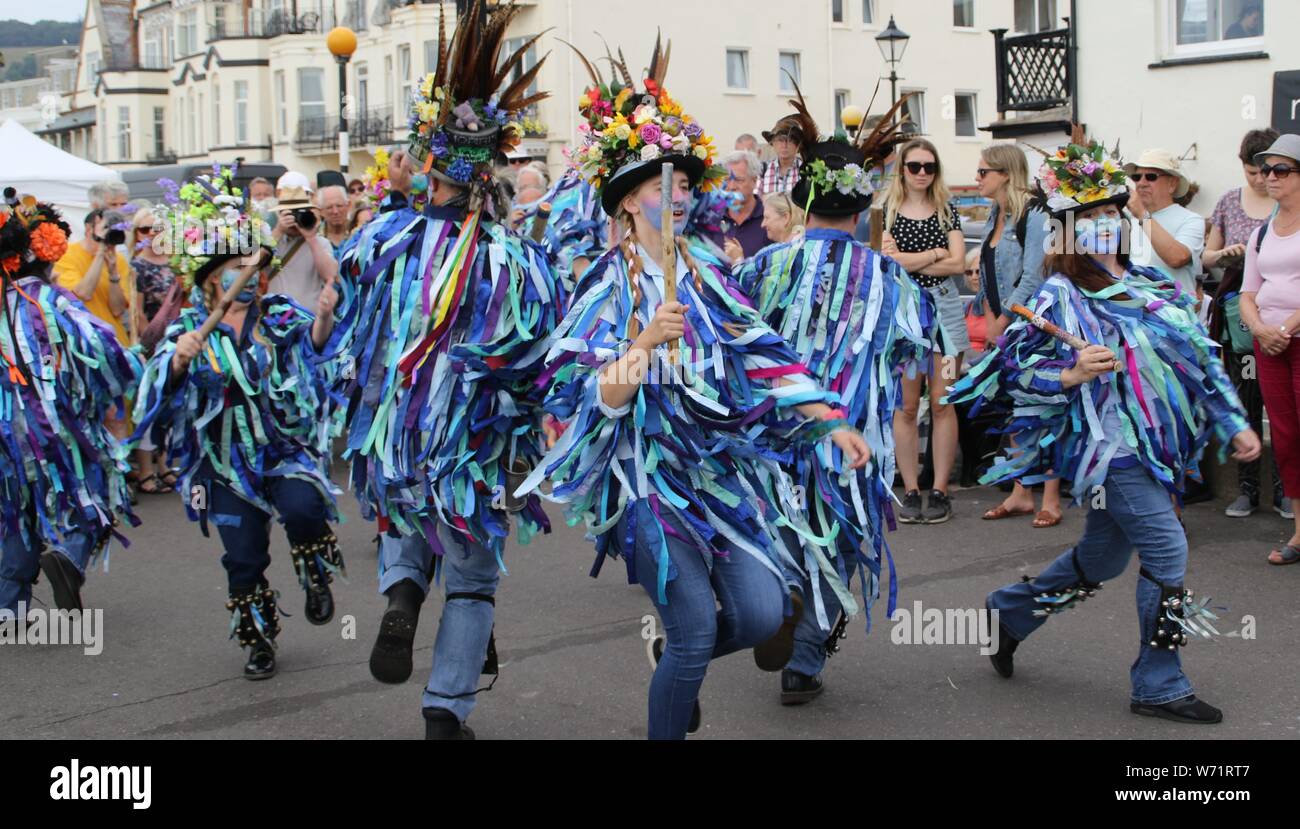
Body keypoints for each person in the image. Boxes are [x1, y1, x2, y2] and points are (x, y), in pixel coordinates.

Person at [519, 37, 870, 740]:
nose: (675, 197)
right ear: (626, 205)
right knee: (694, 629)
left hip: (721, 479)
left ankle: (674, 664)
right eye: (659, 188)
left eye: (682, 186)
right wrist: (644, 342)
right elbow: (599, 399)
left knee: (762, 614)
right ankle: (674, 683)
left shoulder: (709, 273)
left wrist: (828, 418)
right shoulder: (604, 289)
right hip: (648, 485)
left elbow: (763, 354)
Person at [949, 138, 1260, 725]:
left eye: (1110, 212)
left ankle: (1010, 612)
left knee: (1103, 558)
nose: (1104, 223)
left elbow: (1200, 361)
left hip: (1156, 452)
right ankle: (1159, 682)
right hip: (1106, 451)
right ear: (1064, 230)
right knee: (1168, 549)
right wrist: (1068, 372)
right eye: (1088, 217)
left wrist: (1234, 421)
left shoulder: (1151, 285)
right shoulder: (1055, 296)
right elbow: (1011, 371)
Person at [335, 0, 564, 740]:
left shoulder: (382, 239)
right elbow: (536, 351)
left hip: (402, 423)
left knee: (406, 511)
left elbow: (346, 324)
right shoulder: (516, 257)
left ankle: (401, 596)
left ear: (428, 164)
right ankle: (445, 710)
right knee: (470, 578)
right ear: (492, 170)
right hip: (475, 432)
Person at [735, 90, 925, 705]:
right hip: (854, 433)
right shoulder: (891, 275)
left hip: (775, 427)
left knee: (778, 523)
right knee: (839, 538)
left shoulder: (761, 267)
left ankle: (781, 596)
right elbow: (910, 356)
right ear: (860, 203)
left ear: (802, 199)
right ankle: (804, 661)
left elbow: (737, 347)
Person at [132, 165, 344, 680]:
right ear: (211, 277)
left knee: (304, 505)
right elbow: (159, 394)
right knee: (243, 557)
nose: (251, 276)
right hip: (222, 463)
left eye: (255, 267)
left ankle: (315, 571)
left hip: (283, 448)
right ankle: (259, 640)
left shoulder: (277, 314)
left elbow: (314, 352)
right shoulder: (189, 328)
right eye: (238, 268)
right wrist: (179, 360)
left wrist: (321, 317)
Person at [0, 191, 140, 616]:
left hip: (5, 436)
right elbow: (108, 351)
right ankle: (68, 557)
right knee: (91, 490)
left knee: (15, 511)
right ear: (44, 255)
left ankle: (9, 606)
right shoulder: (50, 300)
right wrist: (116, 385)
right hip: (56, 426)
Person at [973, 144, 1062, 528]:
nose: (978, 179)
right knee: (1014, 406)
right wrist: (989, 310)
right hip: (1002, 321)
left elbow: (1035, 275)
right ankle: (1022, 491)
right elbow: (990, 268)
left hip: (1029, 323)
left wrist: (1005, 316)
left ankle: (1052, 498)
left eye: (983, 172)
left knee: (1044, 405)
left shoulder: (1035, 212)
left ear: (1006, 173)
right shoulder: (997, 211)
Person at [881, 138, 968, 524]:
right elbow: (889, 264)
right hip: (905, 316)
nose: (921, 173)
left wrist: (913, 261)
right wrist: (936, 255)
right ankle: (911, 489)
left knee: (943, 402)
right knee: (907, 405)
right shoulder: (887, 212)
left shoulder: (948, 211)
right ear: (902, 169)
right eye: (914, 166)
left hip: (946, 314)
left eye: (928, 167)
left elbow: (958, 265)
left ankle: (941, 489)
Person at [1205, 128, 1284, 519]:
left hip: (1282, 318)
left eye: (1267, 169)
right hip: (1239, 315)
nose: (1261, 178)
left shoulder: (1287, 203)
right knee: (1243, 400)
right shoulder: (1227, 202)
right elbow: (1205, 257)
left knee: (1284, 411)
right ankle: (1248, 488)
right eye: (1252, 171)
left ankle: (1286, 491)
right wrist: (1224, 254)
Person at [1237, 134, 1300, 565]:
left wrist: (1284, 327)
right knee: (1287, 437)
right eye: (1265, 169)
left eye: (1281, 169)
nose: (1269, 176)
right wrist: (1260, 329)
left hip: (1293, 336)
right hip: (1270, 344)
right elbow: (1247, 292)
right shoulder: (1262, 232)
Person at [128, 208, 180, 495]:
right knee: (149, 404)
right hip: (152, 343)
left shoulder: (176, 262)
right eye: (146, 229)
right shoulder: (136, 266)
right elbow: (136, 311)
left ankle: (165, 464)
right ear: (136, 234)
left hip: (176, 340)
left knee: (171, 403)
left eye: (158, 228)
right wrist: (149, 344)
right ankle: (146, 469)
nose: (152, 234)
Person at [1125, 149, 1204, 294]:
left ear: (1172, 184)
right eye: (1136, 177)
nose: (1141, 183)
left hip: (1173, 312)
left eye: (1150, 177)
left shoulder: (1191, 220)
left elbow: (1177, 258)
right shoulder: (1125, 218)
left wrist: (1142, 215)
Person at [268, 176, 338, 310]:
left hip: (307, 321)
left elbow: (330, 276)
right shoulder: (270, 240)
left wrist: (311, 238)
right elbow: (254, 264)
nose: (294, 219)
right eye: (289, 212)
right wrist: (278, 230)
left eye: (298, 212)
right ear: (280, 213)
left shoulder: (320, 243)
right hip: (272, 319)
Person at [719, 150, 768, 262]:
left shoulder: (769, 218)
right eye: (726, 180)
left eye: (739, 180)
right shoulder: (712, 217)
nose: (731, 187)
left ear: (754, 181)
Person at [759, 115, 803, 196]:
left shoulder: (805, 172)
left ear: (797, 145)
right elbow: (756, 202)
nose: (784, 145)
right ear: (773, 143)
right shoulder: (762, 170)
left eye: (790, 140)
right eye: (780, 140)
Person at [315, 184, 351, 251]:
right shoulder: (315, 237)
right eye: (329, 207)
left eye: (339, 206)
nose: (335, 211)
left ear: (348, 205)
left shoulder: (360, 233)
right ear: (321, 211)